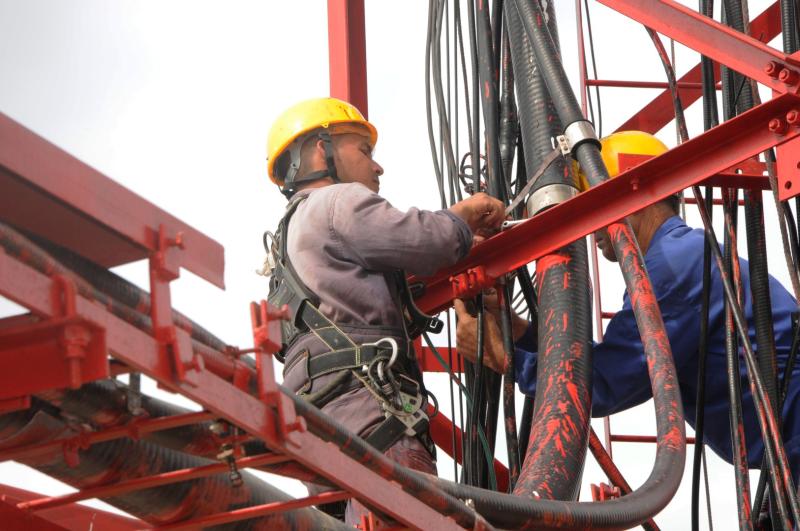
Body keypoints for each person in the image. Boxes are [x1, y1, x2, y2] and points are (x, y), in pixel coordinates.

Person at [455, 130, 800, 489]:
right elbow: (599, 367)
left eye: (596, 206)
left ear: (634, 193)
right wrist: (515, 330)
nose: (591, 229)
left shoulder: (671, 269)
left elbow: (600, 383)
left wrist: (502, 357)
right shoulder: (675, 258)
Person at [264, 97, 504, 524]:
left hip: (324, 449)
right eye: (365, 151)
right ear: (322, 150)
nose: (377, 168)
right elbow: (422, 241)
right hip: (379, 434)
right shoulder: (337, 203)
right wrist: (461, 221)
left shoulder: (289, 240)